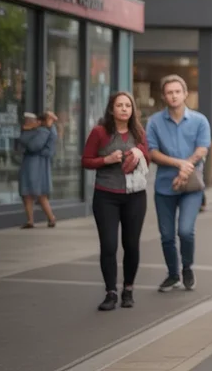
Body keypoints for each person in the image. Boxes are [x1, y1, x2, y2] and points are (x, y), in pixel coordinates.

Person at [81, 92, 151, 311]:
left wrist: (139, 153)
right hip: (106, 195)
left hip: (135, 196)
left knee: (131, 245)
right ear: (111, 109)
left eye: (128, 105)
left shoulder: (138, 132)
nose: (124, 109)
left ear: (132, 110)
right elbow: (86, 161)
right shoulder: (99, 132)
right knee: (109, 245)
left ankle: (128, 289)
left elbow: (148, 158)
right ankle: (110, 292)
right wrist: (106, 160)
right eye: (119, 105)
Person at [146, 74, 211, 293]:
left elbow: (203, 149)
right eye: (169, 92)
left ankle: (187, 267)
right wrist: (179, 164)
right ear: (164, 96)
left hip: (191, 187)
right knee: (166, 235)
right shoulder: (154, 122)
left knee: (185, 231)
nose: (173, 96)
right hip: (164, 186)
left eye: (177, 92)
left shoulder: (200, 120)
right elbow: (152, 152)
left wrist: (186, 169)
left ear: (185, 94)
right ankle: (173, 274)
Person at [17, 111, 58, 228]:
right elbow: (26, 144)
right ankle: (32, 220)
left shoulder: (45, 131)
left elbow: (37, 146)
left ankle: (50, 218)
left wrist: (45, 129)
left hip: (36, 164)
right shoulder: (40, 131)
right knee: (28, 193)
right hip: (32, 163)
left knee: (39, 193)